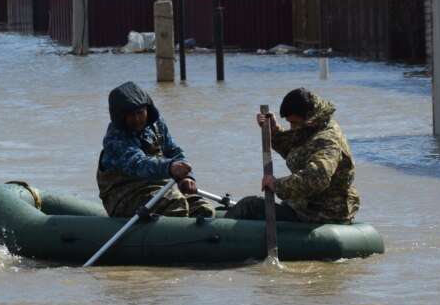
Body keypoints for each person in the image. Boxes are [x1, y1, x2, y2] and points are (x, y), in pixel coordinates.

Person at [225, 88, 360, 224]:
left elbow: (318, 178)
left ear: (308, 115)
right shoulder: (314, 127)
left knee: (249, 206)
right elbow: (298, 154)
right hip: (306, 205)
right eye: (290, 123)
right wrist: (274, 131)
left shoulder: (326, 139)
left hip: (324, 212)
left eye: (294, 123)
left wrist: (277, 184)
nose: (292, 127)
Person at [97, 81, 216, 219]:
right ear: (120, 116)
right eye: (130, 115)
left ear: (147, 109)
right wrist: (170, 167)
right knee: (174, 203)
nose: (137, 119)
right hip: (125, 195)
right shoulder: (115, 138)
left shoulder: (156, 125)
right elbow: (137, 164)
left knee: (203, 208)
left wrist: (186, 177)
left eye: (140, 112)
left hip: (160, 190)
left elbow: (173, 151)